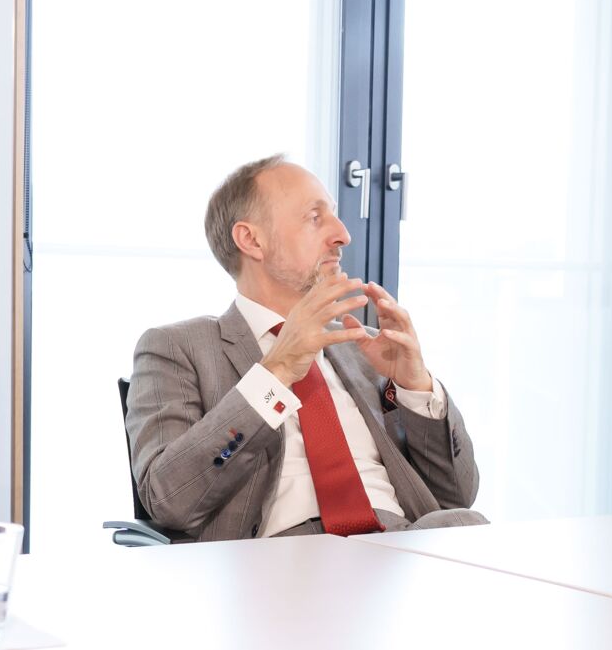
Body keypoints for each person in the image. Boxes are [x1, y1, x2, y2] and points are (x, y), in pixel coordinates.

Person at [124, 155, 482, 541]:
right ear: (251, 240)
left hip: (396, 543)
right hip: (276, 558)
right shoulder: (177, 347)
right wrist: (277, 372)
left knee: (466, 528)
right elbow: (169, 500)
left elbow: (456, 496)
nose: (343, 235)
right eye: (315, 217)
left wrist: (416, 387)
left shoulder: (362, 346)